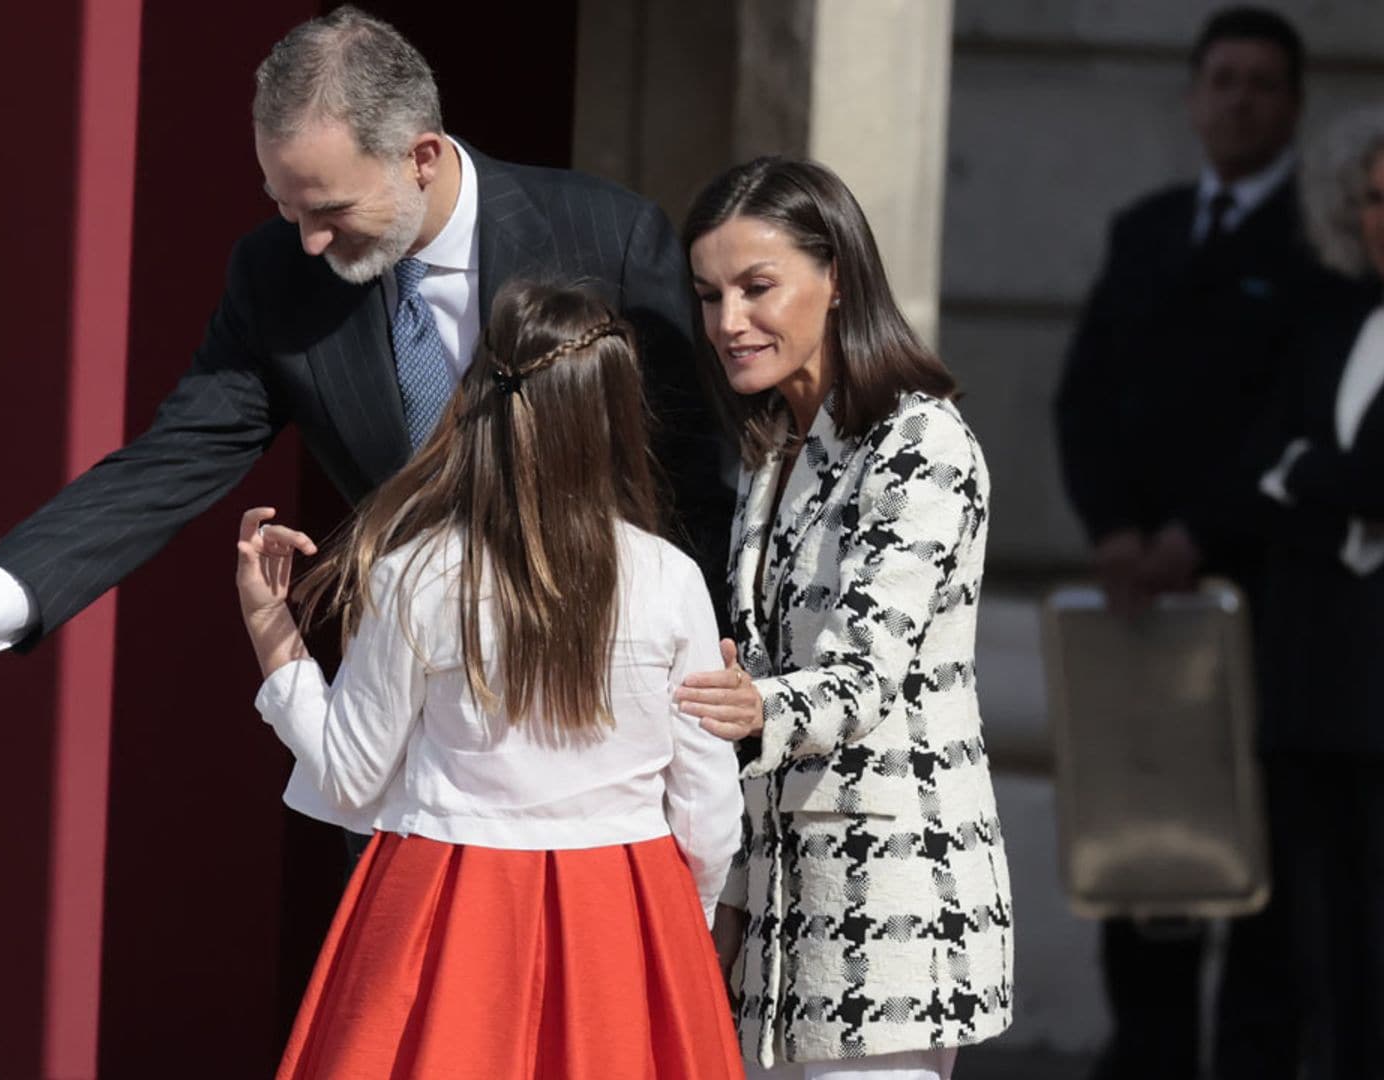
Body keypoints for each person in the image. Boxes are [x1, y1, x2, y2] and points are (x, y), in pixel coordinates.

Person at [0, 5, 753, 728]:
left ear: (421, 156)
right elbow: (167, 464)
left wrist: (697, 682)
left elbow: (692, 479)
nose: (309, 241)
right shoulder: (277, 274)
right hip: (407, 723)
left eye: (329, 210)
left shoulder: (606, 238)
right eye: (284, 207)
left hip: (601, 708)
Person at [234, 280, 745, 1079]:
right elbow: (708, 812)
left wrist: (273, 632)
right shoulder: (671, 578)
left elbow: (348, 774)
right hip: (625, 910)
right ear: (612, 416)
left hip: (445, 909)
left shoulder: (417, 573)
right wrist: (686, 927)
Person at [685, 157, 1012, 1078]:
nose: (728, 322)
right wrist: (733, 908)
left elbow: (864, 675)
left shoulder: (922, 442)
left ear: (836, 280)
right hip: (779, 919)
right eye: (709, 296)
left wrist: (746, 709)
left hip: (895, 902)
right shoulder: (772, 450)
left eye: (757, 287)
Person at [1052, 8, 1311, 1076]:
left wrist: (1196, 536)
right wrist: (1113, 530)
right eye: (1221, 80)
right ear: (1195, 95)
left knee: (1259, 863)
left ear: (1291, 103)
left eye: (1259, 83)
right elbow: (1085, 396)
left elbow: (1291, 421)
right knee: (1142, 845)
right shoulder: (1148, 228)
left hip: (1259, 603)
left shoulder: (1323, 242)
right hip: (1133, 600)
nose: (1237, 100)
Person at [1250, 105, 1384, 1079]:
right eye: (1375, 200)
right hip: (1318, 685)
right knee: (1322, 940)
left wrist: (1312, 474)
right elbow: (1259, 465)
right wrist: (1306, 474)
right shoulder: (1330, 322)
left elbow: (1339, 476)